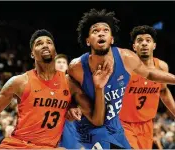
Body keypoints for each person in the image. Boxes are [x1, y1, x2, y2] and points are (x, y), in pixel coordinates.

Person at [0, 29, 110, 149]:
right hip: (17, 145)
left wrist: (98, 88)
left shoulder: (69, 83)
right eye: (39, 43)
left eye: (49, 43)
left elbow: (97, 120)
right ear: (32, 53)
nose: (45, 45)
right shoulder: (19, 82)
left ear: (54, 51)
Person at [60, 8, 175, 149]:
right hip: (89, 128)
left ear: (112, 39)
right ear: (88, 41)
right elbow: (69, 94)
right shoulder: (77, 68)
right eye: (95, 31)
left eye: (105, 30)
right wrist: (72, 105)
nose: (101, 33)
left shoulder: (126, 58)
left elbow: (149, 74)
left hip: (114, 126)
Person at [119, 25, 175, 149]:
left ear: (154, 45)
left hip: (147, 125)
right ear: (134, 47)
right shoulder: (125, 67)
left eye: (148, 40)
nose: (144, 43)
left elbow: (164, 92)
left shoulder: (162, 67)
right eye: (139, 40)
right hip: (124, 124)